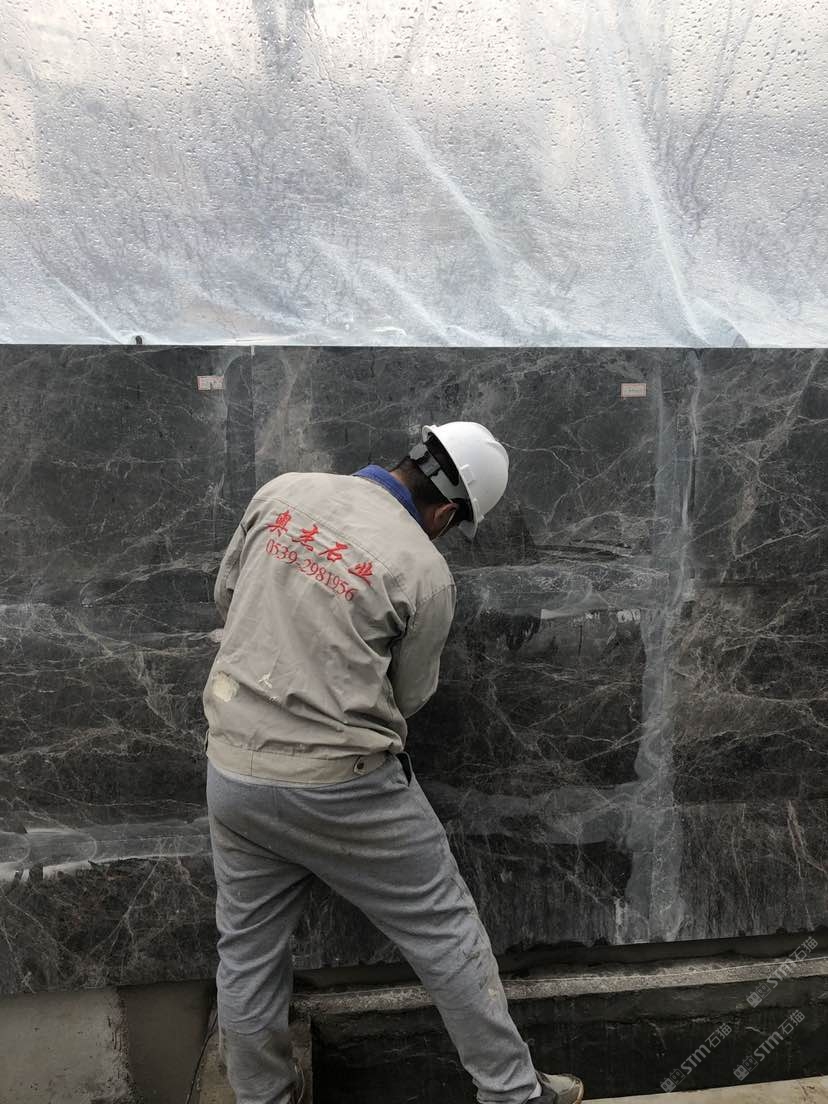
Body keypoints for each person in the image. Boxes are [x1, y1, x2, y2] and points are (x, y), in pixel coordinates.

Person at [203, 421, 584, 1104]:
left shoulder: (283, 492)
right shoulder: (422, 569)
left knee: (248, 952)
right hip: (343, 785)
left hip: (234, 769)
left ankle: (263, 1097)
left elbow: (228, 601)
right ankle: (512, 1094)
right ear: (445, 515)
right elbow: (409, 695)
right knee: (446, 933)